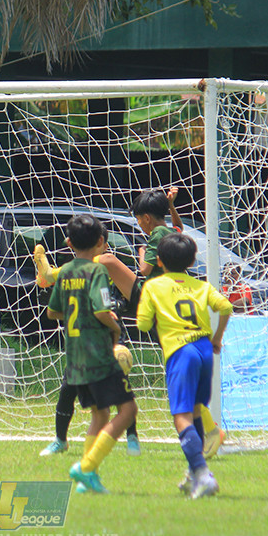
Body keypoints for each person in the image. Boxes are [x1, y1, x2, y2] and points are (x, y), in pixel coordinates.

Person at [34, 187, 226, 458]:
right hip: (164, 304)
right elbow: (179, 226)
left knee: (109, 260)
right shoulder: (169, 231)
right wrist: (170, 206)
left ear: (145, 218)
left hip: (150, 294)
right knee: (183, 384)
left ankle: (50, 275)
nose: (138, 223)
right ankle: (210, 429)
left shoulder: (156, 235)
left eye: (138, 219)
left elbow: (145, 270)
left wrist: (142, 250)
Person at [136, 231, 233, 498]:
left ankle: (203, 475)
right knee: (196, 411)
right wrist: (217, 338)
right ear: (192, 262)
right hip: (204, 349)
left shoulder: (153, 287)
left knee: (181, 416)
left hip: (181, 351)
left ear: (158, 261)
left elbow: (143, 325)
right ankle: (193, 473)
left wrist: (157, 318)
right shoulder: (201, 286)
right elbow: (226, 307)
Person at [46, 215, 138, 494]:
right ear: (101, 242)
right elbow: (101, 310)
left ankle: (89, 478)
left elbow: (52, 312)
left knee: (100, 415)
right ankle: (86, 466)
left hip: (74, 354)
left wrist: (78, 311)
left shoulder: (65, 272)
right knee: (128, 409)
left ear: (69, 243)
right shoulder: (96, 271)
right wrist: (113, 323)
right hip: (98, 352)